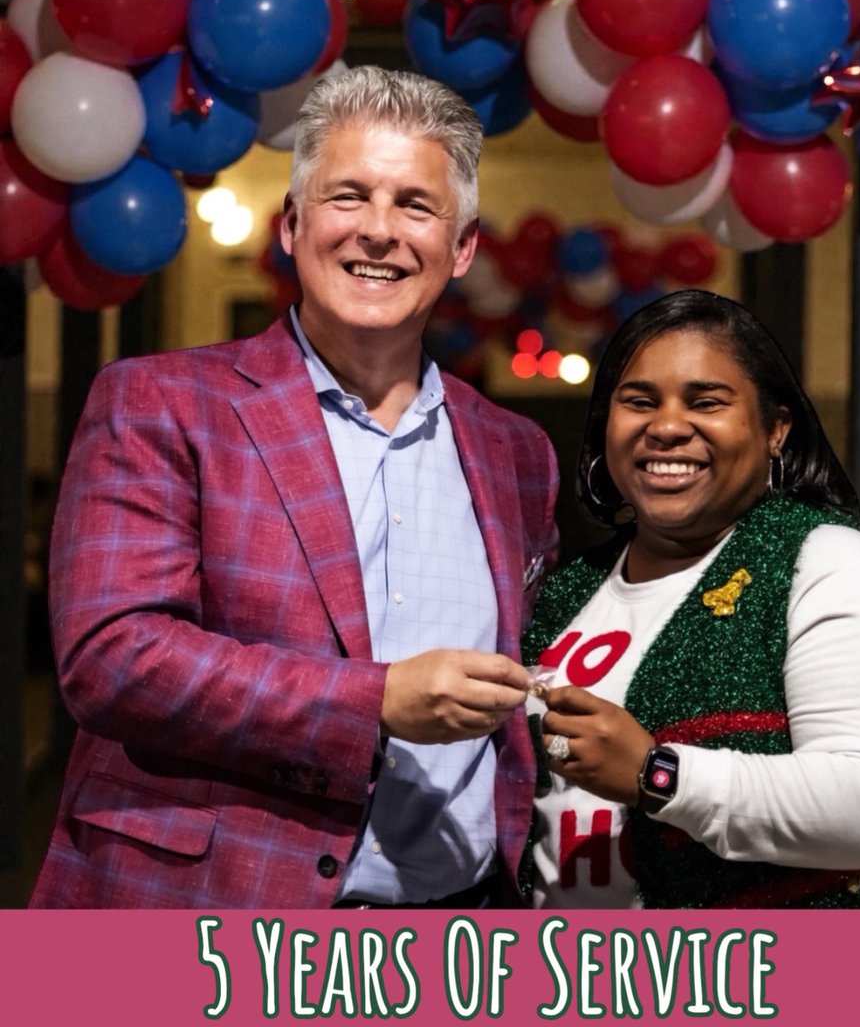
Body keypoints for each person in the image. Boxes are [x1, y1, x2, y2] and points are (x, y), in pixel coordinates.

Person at [30, 66, 559, 909]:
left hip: (457, 919)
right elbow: (113, 658)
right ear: (292, 225)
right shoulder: (161, 401)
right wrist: (375, 700)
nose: (378, 231)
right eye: (348, 196)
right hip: (209, 913)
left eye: (415, 206)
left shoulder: (517, 453)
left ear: (462, 247)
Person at [524, 289, 860, 909]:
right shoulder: (564, 592)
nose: (666, 427)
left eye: (706, 402)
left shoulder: (826, 565)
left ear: (776, 429)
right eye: (639, 401)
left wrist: (657, 774)